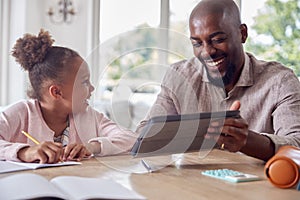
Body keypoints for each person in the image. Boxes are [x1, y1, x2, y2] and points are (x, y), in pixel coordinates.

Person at [137, 0, 300, 161]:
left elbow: (297, 146)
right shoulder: (179, 77)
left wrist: (247, 140)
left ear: (242, 33)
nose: (207, 52)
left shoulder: (280, 82)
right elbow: (143, 136)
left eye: (218, 39)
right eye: (197, 43)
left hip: (257, 185)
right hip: (192, 183)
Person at [0, 29, 136, 163]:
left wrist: (92, 147)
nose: (92, 88)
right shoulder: (20, 114)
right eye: (84, 82)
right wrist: (24, 152)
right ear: (57, 92)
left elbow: (132, 139)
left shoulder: (90, 116)